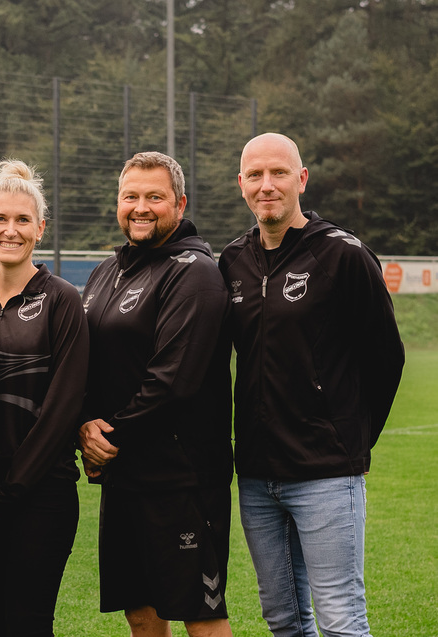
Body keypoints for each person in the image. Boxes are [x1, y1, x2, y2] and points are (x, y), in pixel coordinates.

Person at [218, 132, 404, 637]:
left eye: (278, 173)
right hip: (257, 476)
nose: (266, 185)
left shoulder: (343, 256)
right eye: (255, 175)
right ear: (241, 185)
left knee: (341, 619)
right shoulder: (231, 261)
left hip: (325, 474)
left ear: (301, 179)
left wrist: (350, 441)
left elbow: (386, 359)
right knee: (283, 621)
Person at [78, 151, 234, 637]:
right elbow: (87, 364)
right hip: (124, 476)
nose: (140, 207)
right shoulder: (108, 271)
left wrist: (109, 436)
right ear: (118, 203)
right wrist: (83, 424)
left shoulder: (195, 272)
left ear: (180, 204)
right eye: (131, 196)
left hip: (181, 478)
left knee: (200, 613)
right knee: (140, 610)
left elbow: (172, 379)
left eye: (155, 197)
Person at [0, 160, 89, 636]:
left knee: (27, 625)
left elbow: (62, 409)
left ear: (40, 228)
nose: (11, 230)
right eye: (0, 219)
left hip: (40, 493)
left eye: (23, 220)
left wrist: (6, 497)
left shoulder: (62, 300)